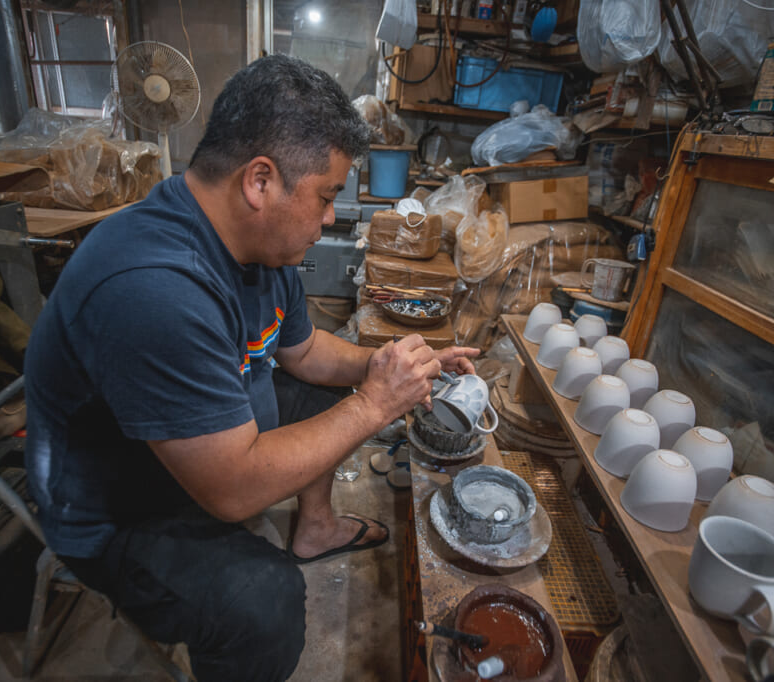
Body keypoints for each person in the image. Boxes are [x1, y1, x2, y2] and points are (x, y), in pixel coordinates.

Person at [24, 54, 479, 681]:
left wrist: (381, 366)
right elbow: (231, 491)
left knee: (332, 393)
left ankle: (314, 528)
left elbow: (306, 353)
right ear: (259, 181)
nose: (328, 219)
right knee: (264, 604)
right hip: (118, 508)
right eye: (324, 197)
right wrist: (375, 404)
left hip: (193, 448)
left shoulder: (261, 252)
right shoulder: (154, 288)